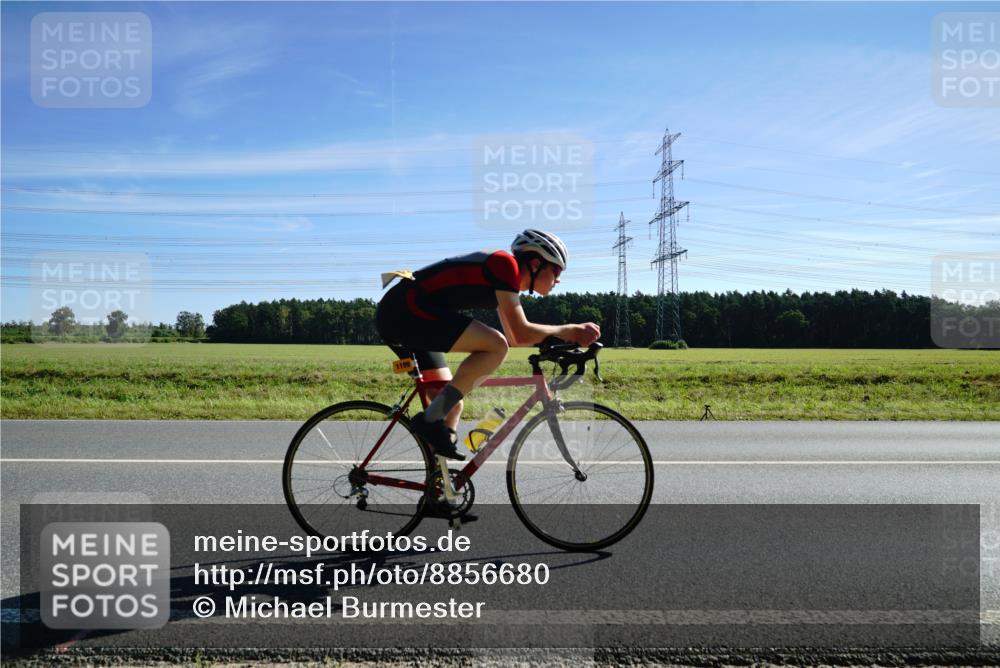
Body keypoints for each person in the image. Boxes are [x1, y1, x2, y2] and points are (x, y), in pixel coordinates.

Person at [375, 229, 601, 461]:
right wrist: (571, 330)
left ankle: (439, 477)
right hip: (405, 310)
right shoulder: (505, 266)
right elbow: (520, 333)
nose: (558, 279)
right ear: (536, 264)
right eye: (556, 271)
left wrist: (559, 341)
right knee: (496, 345)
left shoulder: (505, 281)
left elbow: (516, 338)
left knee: (451, 405)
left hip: (406, 312)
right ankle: (429, 422)